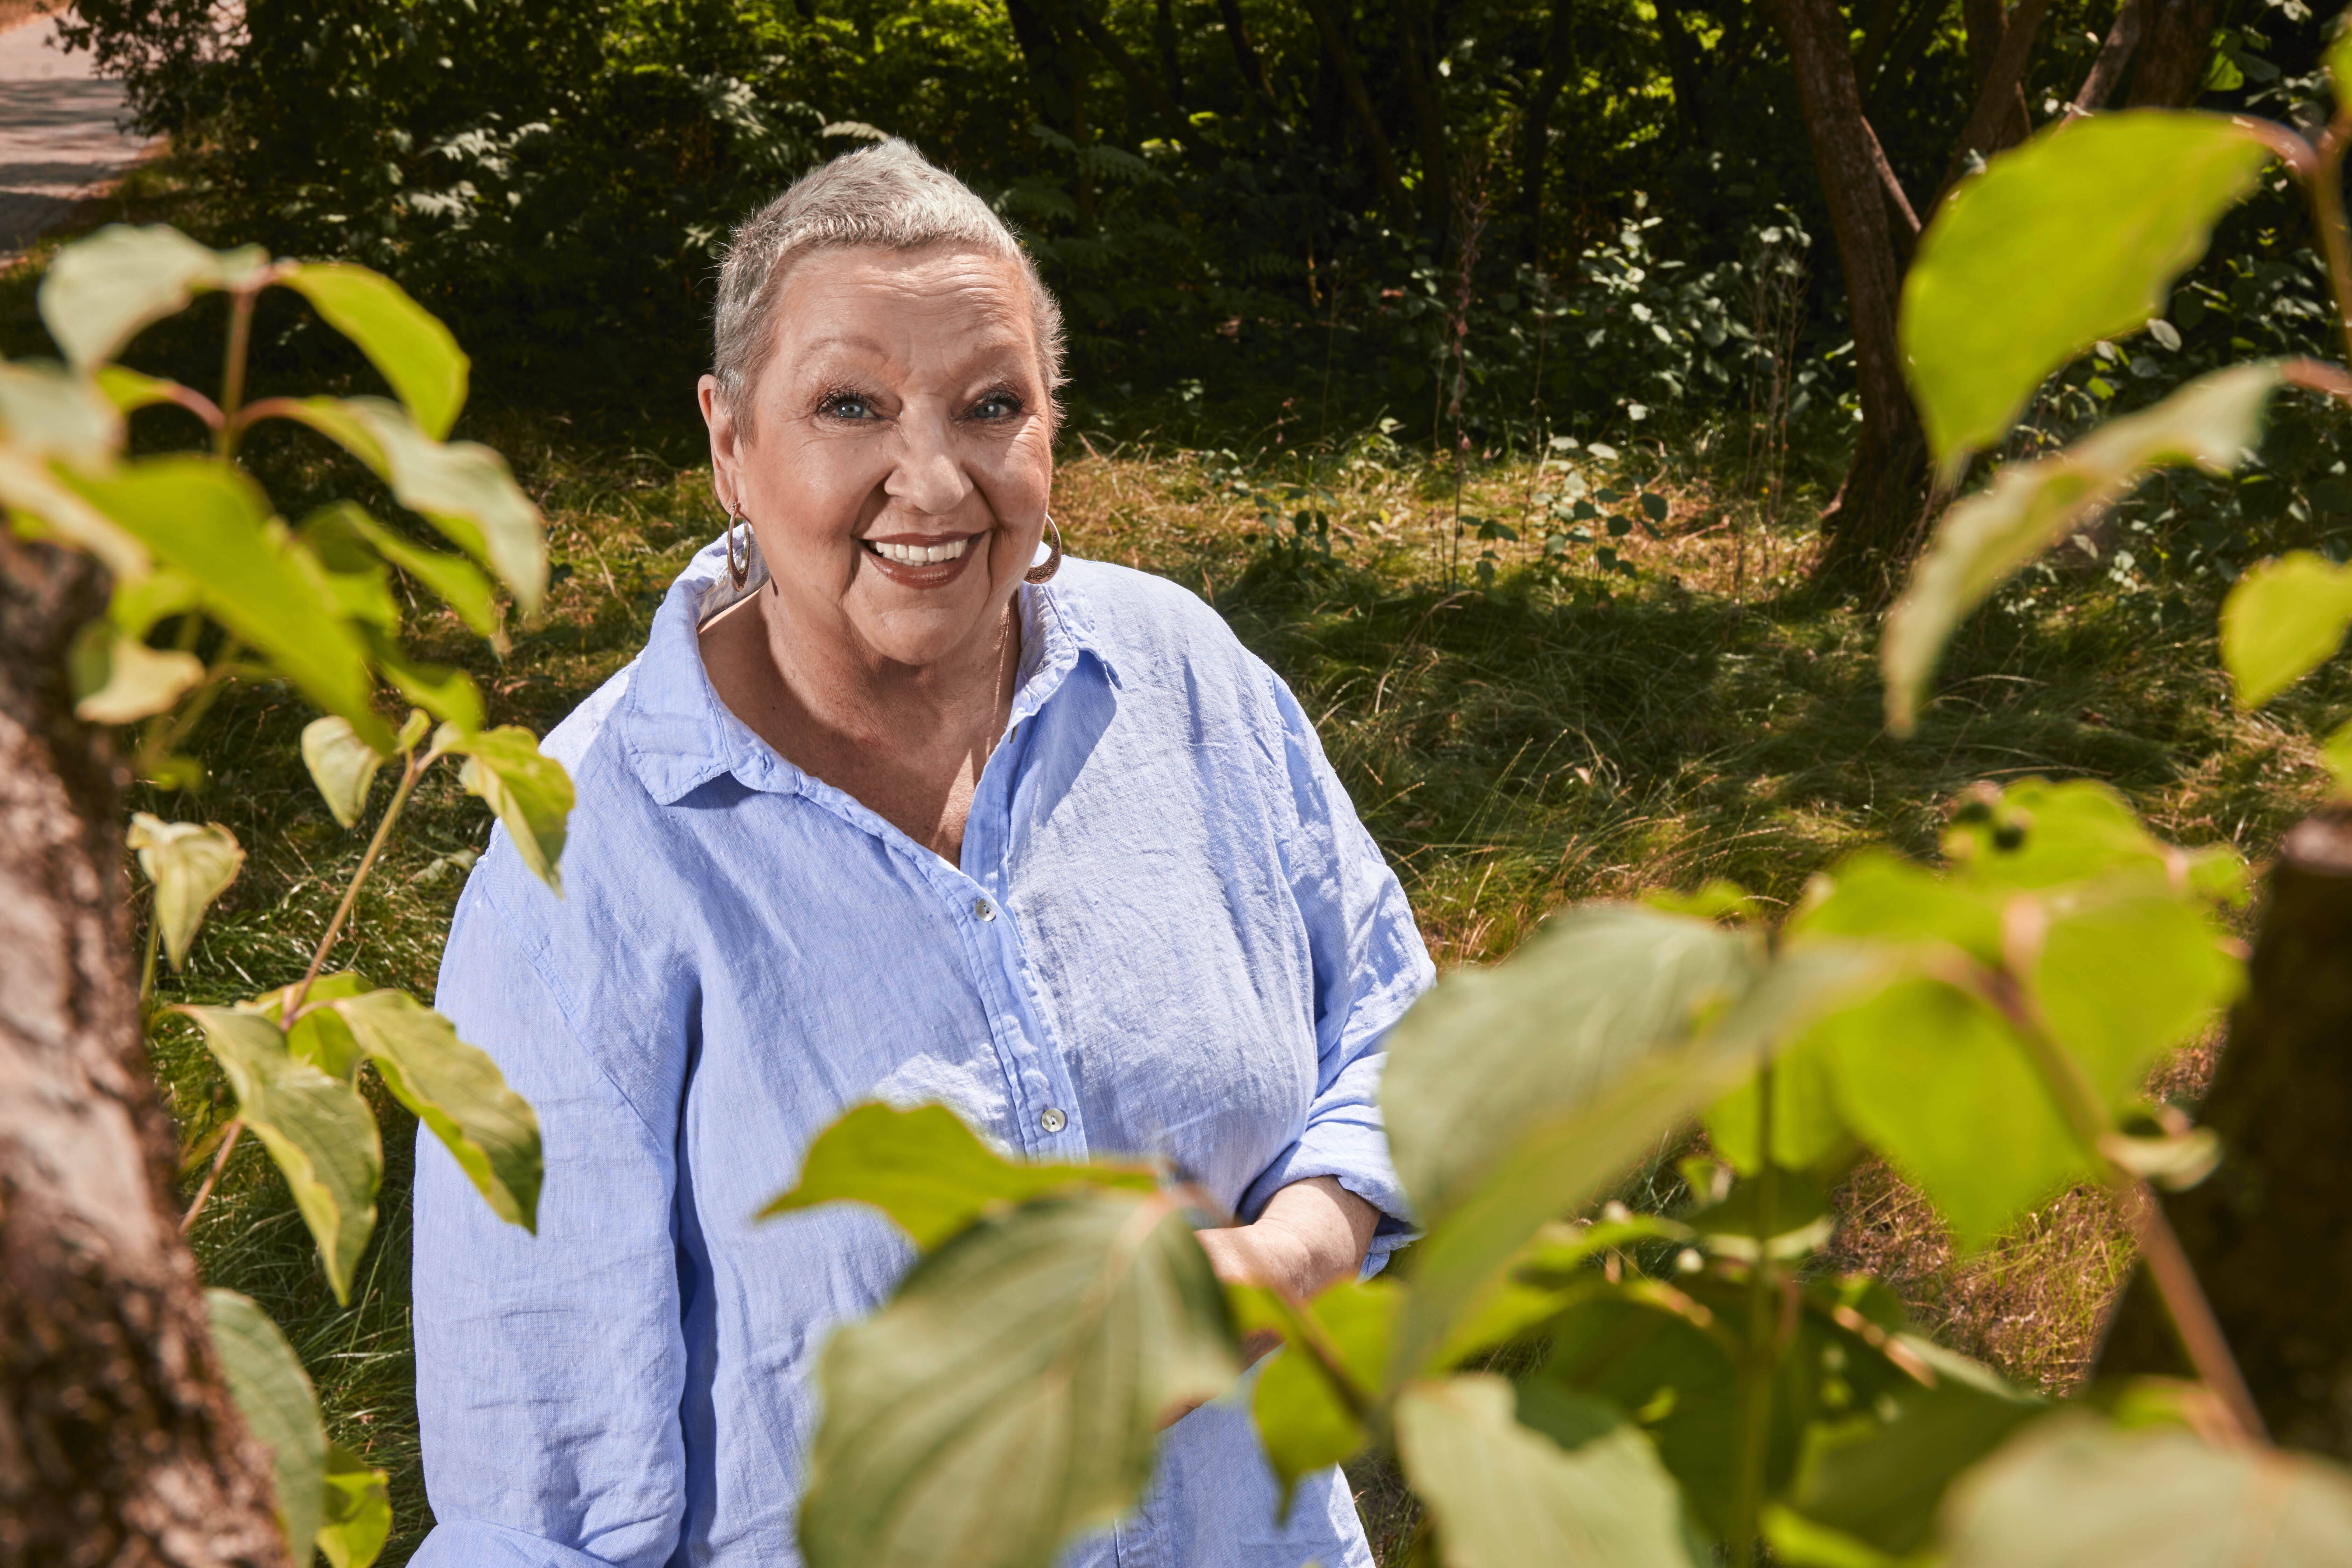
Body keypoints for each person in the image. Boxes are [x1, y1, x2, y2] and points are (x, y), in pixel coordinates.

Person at [411, 138, 1434, 1568]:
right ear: (728, 442)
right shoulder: (583, 858)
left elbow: (1396, 1032)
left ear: (1052, 430)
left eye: (992, 405)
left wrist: (1293, 1256)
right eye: (851, 405)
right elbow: (540, 1503)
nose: (936, 479)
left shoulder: (1183, 675)